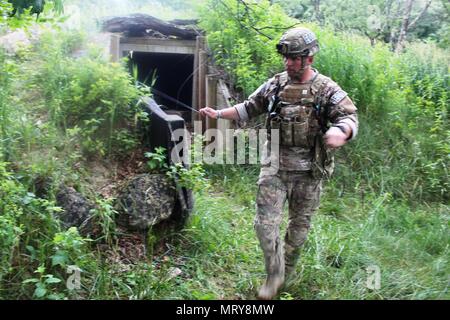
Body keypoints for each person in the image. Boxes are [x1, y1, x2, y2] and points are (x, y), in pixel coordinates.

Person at [199, 27, 358, 300]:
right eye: (286, 58)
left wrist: (341, 131)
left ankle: (287, 271)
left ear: (309, 58)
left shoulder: (326, 89)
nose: (289, 63)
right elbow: (249, 107)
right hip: (274, 167)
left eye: (295, 58)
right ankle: (274, 273)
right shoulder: (275, 84)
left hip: (309, 172)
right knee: (264, 226)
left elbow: (349, 117)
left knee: (298, 229)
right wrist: (218, 113)